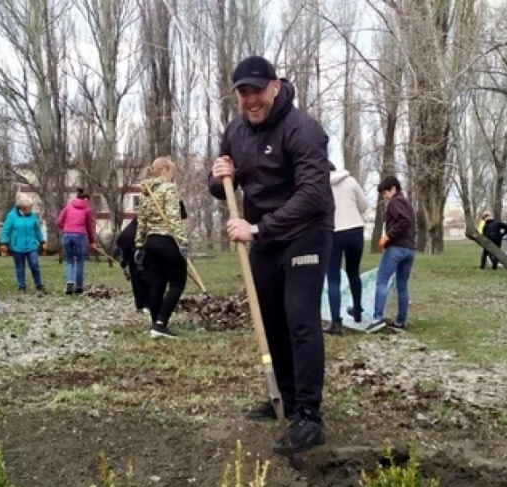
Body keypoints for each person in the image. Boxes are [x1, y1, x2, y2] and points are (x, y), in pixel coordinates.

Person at [208, 55, 334, 454]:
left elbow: (313, 196)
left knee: (300, 319)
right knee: (272, 319)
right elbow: (222, 188)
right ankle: (286, 395)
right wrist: (217, 177)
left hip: (305, 233)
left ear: (275, 87)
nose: (251, 100)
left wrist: (258, 228)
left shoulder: (304, 130)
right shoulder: (235, 131)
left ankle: (309, 415)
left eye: (257, 91)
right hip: (262, 238)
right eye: (243, 92)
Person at [135, 157, 188, 339]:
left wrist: (139, 245)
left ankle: (154, 324)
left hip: (151, 242)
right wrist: (182, 242)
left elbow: (141, 221)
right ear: (164, 169)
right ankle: (161, 323)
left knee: (157, 283)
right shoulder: (169, 189)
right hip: (167, 240)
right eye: (172, 170)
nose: (173, 174)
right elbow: (174, 218)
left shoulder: (146, 192)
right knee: (178, 282)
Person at [367, 175, 415, 333]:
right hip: (409, 249)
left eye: (386, 192)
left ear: (394, 189)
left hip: (396, 248)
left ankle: (378, 318)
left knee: (382, 280)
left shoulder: (395, 202)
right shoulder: (407, 202)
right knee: (402, 286)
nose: (385, 196)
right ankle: (401, 321)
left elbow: (404, 221)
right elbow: (409, 221)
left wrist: (387, 236)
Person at [325, 161, 368, 335]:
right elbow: (364, 205)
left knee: (333, 279)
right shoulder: (351, 181)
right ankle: (357, 311)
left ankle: (336, 322)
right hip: (355, 230)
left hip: (333, 233)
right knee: (353, 271)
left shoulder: (320, 185)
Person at [0, 195, 46, 294]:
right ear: (22, 208)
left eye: (31, 207)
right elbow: (6, 230)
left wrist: (42, 241)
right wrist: (3, 243)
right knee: (20, 266)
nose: (30, 209)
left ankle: (39, 285)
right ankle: (22, 286)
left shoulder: (33, 216)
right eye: (28, 208)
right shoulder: (11, 216)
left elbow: (37, 230)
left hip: (31, 245)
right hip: (17, 246)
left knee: (34, 264)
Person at [57, 188, 97, 295]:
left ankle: (70, 283)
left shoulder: (68, 207)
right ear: (85, 199)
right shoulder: (87, 209)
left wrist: (66, 228)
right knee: (80, 261)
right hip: (79, 236)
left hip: (67, 235)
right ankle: (79, 286)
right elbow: (89, 227)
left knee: (69, 260)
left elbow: (59, 221)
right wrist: (92, 241)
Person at [115, 217, 150, 314]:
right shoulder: (130, 233)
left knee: (142, 277)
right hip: (133, 249)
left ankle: (145, 305)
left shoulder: (137, 224)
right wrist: (125, 264)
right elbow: (123, 248)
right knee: (139, 276)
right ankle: (143, 305)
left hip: (137, 247)